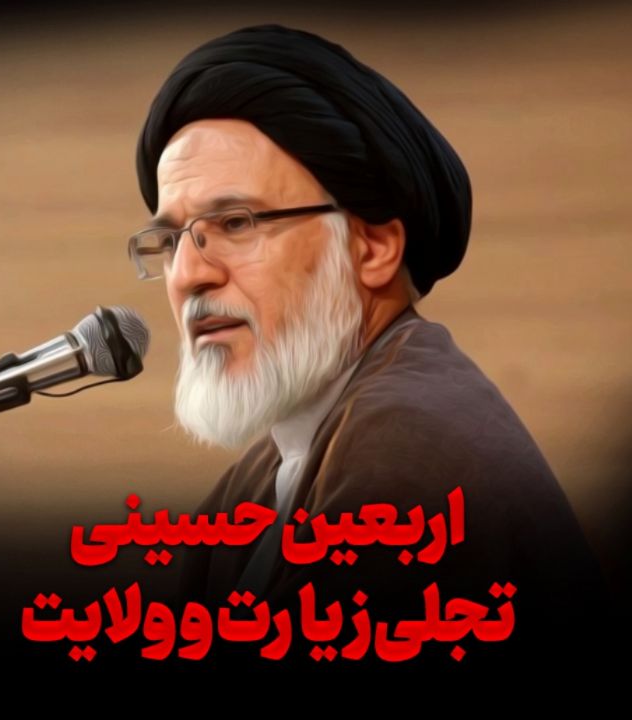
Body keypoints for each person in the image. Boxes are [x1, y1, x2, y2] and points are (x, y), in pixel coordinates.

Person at [130, 24, 611, 674]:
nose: (189, 274)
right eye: (170, 241)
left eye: (236, 223)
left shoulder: (413, 444)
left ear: (375, 247)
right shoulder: (268, 473)